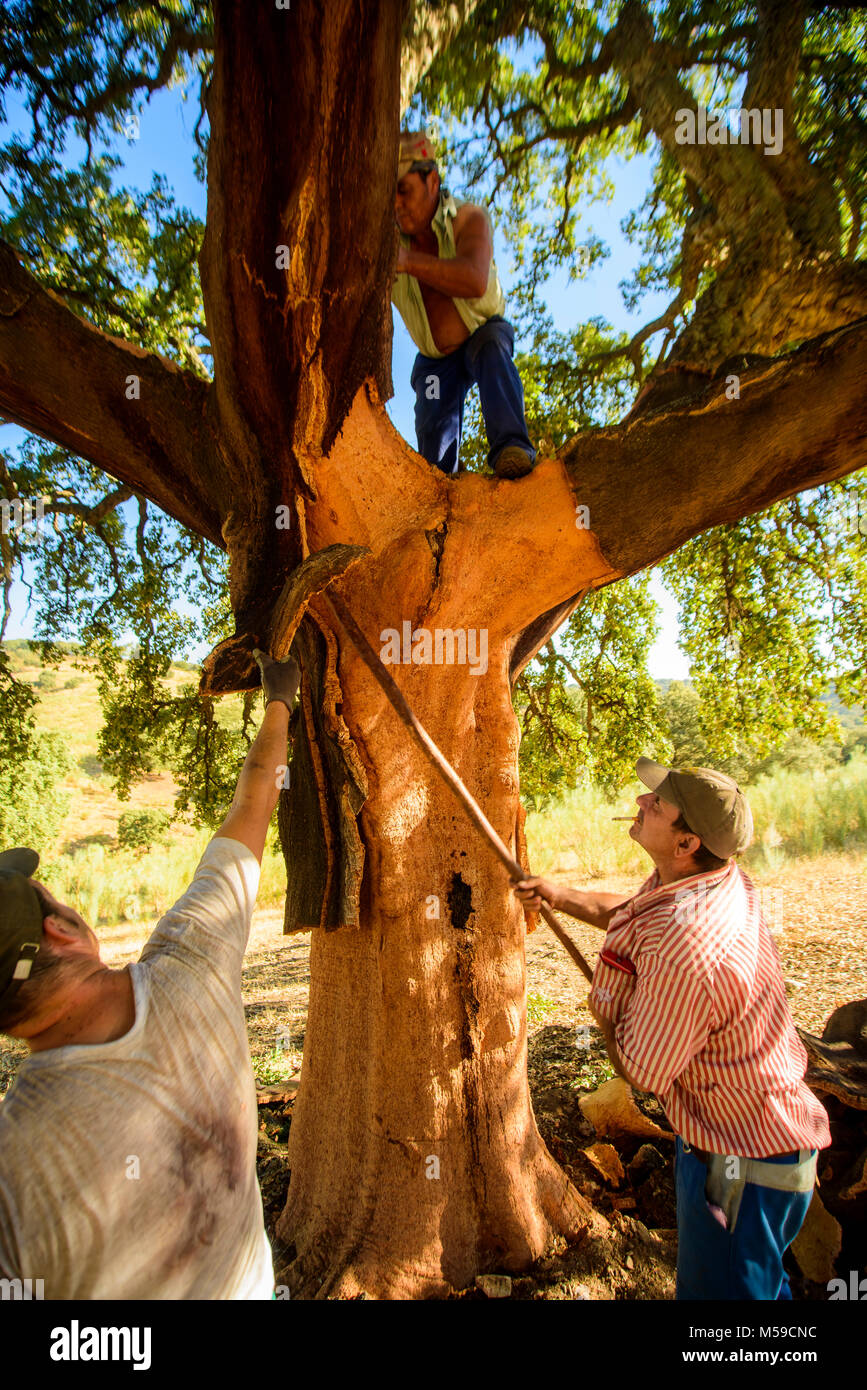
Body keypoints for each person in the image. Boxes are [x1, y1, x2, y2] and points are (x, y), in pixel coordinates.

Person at [0, 649, 300, 1300]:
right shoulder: (193, 966)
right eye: (55, 899)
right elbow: (252, 804)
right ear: (64, 931)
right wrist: (280, 700)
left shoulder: (11, 1166)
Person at [514, 757, 831, 1301]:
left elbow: (639, 1068)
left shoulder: (690, 951)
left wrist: (608, 1007)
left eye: (657, 804)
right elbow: (638, 913)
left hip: (738, 1168)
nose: (641, 802)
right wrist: (560, 895)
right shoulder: (709, 879)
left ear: (686, 842)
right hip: (764, 1142)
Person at [392, 130, 536, 479]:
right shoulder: (384, 240)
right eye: (388, 195)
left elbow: (474, 279)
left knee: (491, 349)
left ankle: (512, 448)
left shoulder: (469, 218)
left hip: (481, 334)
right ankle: (444, 484)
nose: (395, 204)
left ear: (432, 181)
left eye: (403, 189)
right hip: (436, 359)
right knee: (434, 454)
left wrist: (406, 261)